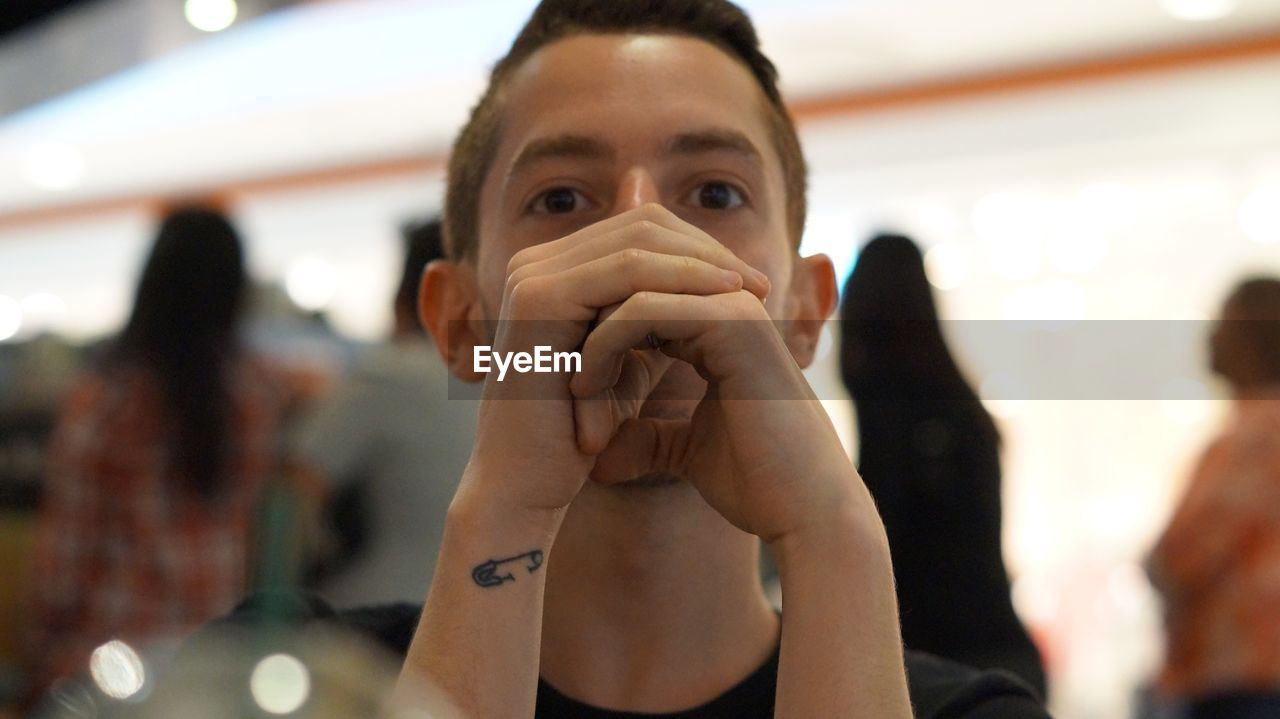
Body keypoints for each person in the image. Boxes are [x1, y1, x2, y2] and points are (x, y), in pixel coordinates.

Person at [214, 2, 1051, 717]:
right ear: (461, 322)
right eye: (562, 199)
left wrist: (834, 537)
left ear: (805, 311)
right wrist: (502, 512)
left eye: (715, 194)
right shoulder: (280, 678)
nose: (639, 245)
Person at [25, 207, 284, 698]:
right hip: (214, 661)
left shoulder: (108, 401)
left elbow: (63, 572)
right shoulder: (254, 394)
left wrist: (38, 658)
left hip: (109, 666)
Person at [839, 234, 1046, 695]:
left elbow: (889, 550)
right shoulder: (958, 410)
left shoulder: (899, 418)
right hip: (996, 661)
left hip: (951, 674)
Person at [290, 218, 478, 606]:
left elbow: (292, 490)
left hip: (394, 620)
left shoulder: (392, 374)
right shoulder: (526, 369)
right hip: (507, 615)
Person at [1147, 277, 1280, 719]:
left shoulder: (1258, 435)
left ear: (1255, 336)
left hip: (1246, 679)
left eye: (1222, 322)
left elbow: (1182, 556)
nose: (1210, 336)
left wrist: (1152, 565)